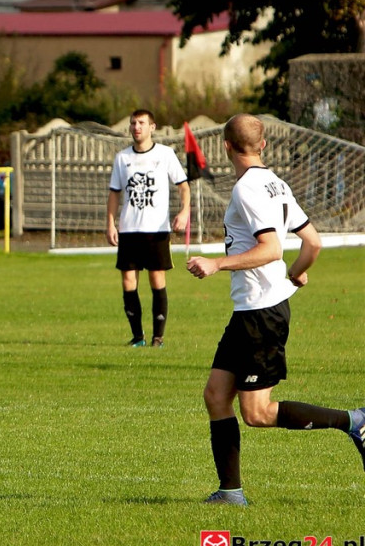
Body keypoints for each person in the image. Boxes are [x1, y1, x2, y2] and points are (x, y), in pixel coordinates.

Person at [187, 113, 365, 506]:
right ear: (263, 145)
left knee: (257, 412)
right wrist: (297, 274)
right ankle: (231, 493)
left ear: (227, 147)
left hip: (261, 315)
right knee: (217, 395)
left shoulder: (248, 189)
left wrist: (217, 264)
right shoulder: (276, 183)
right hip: (251, 310)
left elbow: (270, 248)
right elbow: (313, 242)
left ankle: (354, 421)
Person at [105, 109, 190, 347]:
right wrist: (110, 223)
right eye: (133, 123)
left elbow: (183, 186)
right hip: (129, 230)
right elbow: (114, 193)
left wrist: (184, 211)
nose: (136, 127)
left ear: (152, 127)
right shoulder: (122, 158)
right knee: (128, 282)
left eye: (141, 123)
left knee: (156, 280)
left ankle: (158, 337)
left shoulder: (165, 154)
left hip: (156, 230)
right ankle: (137, 337)